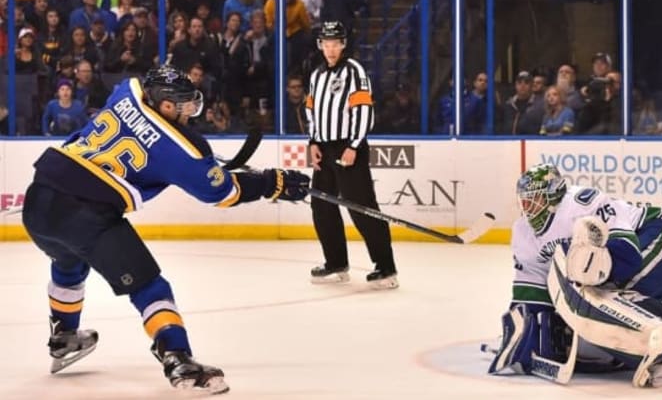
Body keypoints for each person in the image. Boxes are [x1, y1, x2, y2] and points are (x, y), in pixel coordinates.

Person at [21, 64, 310, 394]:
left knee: (69, 262)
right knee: (149, 287)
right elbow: (223, 193)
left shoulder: (127, 90)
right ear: (168, 105)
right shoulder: (184, 150)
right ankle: (177, 357)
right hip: (87, 212)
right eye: (186, 105)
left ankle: (64, 337)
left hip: (40, 198)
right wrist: (272, 183)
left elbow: (149, 134)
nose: (191, 113)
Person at [487, 163, 662, 388]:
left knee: (597, 301)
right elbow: (532, 292)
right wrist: (523, 331)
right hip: (625, 261)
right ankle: (652, 341)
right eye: (524, 201)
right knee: (590, 328)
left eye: (534, 199)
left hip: (658, 235)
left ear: (553, 194)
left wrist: (594, 280)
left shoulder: (582, 204)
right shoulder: (522, 234)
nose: (527, 208)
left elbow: (627, 256)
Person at [305, 21, 398, 289]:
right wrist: (313, 142)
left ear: (343, 44)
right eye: (327, 43)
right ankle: (336, 263)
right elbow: (312, 112)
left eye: (336, 43)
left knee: (362, 208)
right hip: (324, 148)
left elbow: (364, 112)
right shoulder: (316, 76)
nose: (331, 48)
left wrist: (354, 146)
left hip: (348, 147)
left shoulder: (354, 71)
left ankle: (386, 268)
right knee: (322, 206)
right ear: (320, 44)